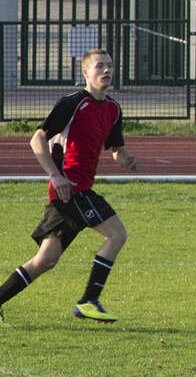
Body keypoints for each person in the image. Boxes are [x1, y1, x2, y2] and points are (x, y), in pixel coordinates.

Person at [0, 48, 140, 325]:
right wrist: (56, 175)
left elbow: (116, 149)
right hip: (71, 189)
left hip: (73, 192)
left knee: (46, 260)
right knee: (117, 234)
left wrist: (126, 159)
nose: (106, 70)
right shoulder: (72, 103)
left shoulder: (113, 109)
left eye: (110, 66)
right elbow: (37, 139)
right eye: (99, 66)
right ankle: (89, 301)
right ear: (85, 72)